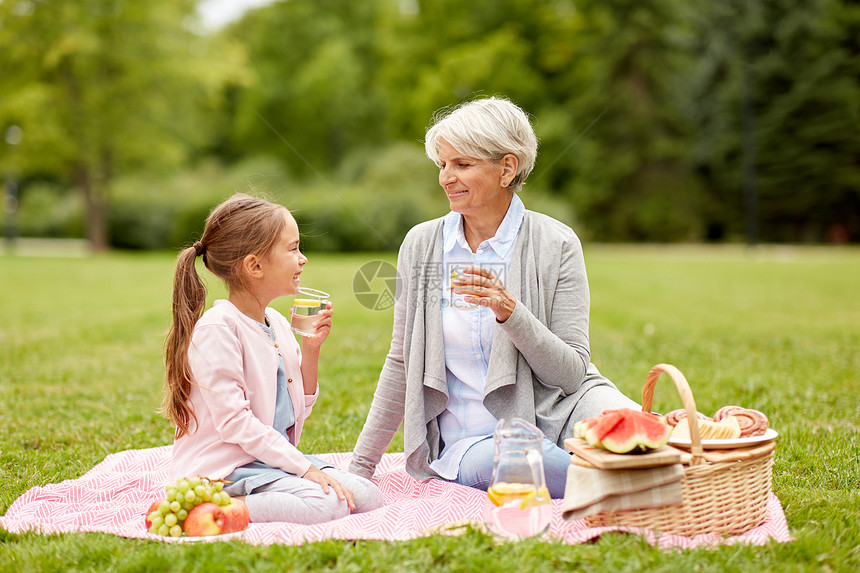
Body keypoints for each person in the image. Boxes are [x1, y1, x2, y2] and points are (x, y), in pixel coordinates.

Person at [348, 97, 639, 498]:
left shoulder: (556, 243)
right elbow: (402, 361)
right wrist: (360, 467)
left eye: (462, 164)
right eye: (443, 165)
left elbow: (570, 375)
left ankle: (653, 476)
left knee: (649, 438)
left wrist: (511, 313)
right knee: (521, 459)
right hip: (476, 440)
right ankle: (634, 486)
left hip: (564, 407)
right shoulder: (422, 245)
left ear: (507, 168)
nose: (446, 177)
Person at [163, 193, 382, 525]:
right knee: (329, 505)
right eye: (293, 249)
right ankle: (216, 512)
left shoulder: (277, 322)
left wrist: (311, 350)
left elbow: (299, 408)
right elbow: (235, 423)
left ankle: (276, 491)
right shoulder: (218, 330)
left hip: (267, 459)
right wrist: (305, 469)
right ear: (255, 266)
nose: (303, 259)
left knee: (366, 496)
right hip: (227, 469)